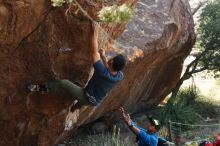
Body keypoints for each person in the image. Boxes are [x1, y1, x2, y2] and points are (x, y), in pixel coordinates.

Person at [28, 23, 126, 112]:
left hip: (86, 96)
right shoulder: (119, 76)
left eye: (112, 59)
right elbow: (108, 70)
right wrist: (104, 57)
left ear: (112, 61)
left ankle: (39, 88)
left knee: (64, 83)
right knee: (80, 103)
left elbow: (94, 53)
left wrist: (95, 33)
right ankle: (74, 108)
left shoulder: (102, 72)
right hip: (95, 101)